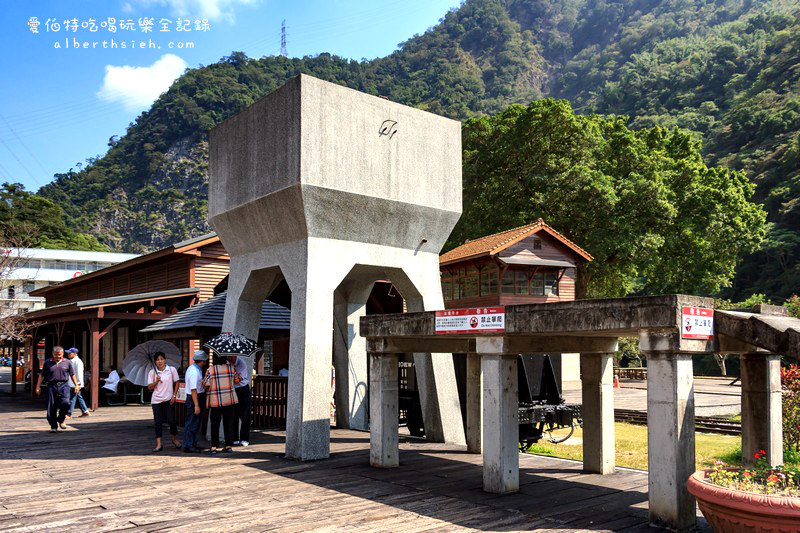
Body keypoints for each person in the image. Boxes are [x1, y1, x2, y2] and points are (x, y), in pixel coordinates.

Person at [35, 346, 80, 432]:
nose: (57, 356)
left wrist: (76, 385)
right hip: (51, 386)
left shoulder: (67, 362)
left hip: (64, 386)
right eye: (56, 355)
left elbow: (72, 374)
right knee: (51, 406)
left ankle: (61, 419)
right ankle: (53, 426)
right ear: (53, 354)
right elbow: (42, 375)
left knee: (66, 403)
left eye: (59, 355)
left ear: (62, 354)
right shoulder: (47, 362)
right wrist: (38, 386)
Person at [203, 352, 239, 453]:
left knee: (215, 424)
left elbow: (205, 384)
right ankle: (228, 446)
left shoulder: (210, 370)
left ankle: (214, 447)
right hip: (229, 400)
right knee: (228, 424)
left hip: (215, 402)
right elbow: (238, 380)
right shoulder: (231, 368)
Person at [147, 352, 181, 452]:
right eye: (157, 360)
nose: (160, 361)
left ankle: (174, 439)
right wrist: (156, 381)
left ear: (165, 360)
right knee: (158, 422)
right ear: (155, 362)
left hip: (168, 399)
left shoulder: (171, 370)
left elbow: (177, 382)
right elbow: (149, 387)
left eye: (161, 359)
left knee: (172, 421)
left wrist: (174, 395)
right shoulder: (152, 372)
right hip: (156, 400)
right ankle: (159, 444)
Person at [182, 350, 208, 453]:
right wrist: (196, 405)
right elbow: (193, 389)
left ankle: (193, 443)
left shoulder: (194, 369)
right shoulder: (194, 372)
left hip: (196, 397)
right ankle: (188, 445)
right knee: (192, 423)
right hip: (194, 398)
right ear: (202, 360)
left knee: (195, 423)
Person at [231, 355, 251, 447]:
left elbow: (238, 380)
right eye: (227, 357)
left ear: (234, 356)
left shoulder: (241, 363)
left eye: (231, 357)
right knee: (234, 414)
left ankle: (244, 439)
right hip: (233, 390)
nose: (229, 359)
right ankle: (234, 438)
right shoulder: (227, 363)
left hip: (243, 389)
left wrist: (232, 374)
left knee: (245, 415)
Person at [65, 348, 90, 418]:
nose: (68, 354)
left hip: (75, 384)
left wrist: (77, 384)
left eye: (70, 353)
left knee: (72, 398)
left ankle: (69, 414)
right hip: (73, 383)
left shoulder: (78, 362)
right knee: (78, 397)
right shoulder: (72, 361)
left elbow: (79, 373)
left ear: (75, 354)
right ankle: (85, 411)